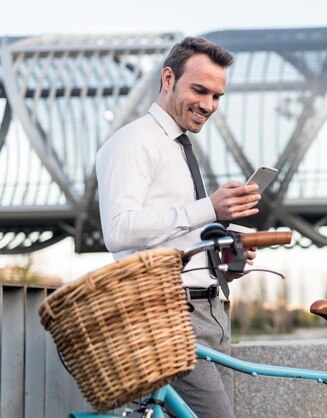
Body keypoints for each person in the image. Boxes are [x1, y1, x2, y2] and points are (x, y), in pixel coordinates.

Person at [96, 36, 260, 417]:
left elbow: (171, 232)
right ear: (168, 79)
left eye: (217, 96)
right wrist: (209, 207)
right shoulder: (135, 141)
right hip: (169, 314)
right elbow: (118, 230)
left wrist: (223, 252)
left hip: (210, 312)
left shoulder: (178, 145)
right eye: (199, 90)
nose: (208, 105)